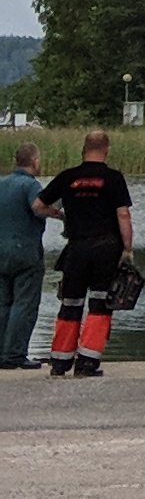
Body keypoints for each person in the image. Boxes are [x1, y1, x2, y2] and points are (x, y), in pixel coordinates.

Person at [40, 131, 135, 378]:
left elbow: (38, 205)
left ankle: (60, 362)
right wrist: (127, 248)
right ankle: (87, 362)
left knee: (70, 302)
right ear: (107, 149)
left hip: (76, 248)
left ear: (84, 148)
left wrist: (59, 215)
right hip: (106, 247)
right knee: (100, 303)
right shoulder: (113, 178)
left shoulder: (68, 177)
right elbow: (123, 214)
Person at [0, 139, 46, 373]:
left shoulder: (2, 184)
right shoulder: (31, 185)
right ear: (34, 161)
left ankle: (1, 352)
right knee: (24, 303)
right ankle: (15, 354)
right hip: (25, 253)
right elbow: (38, 207)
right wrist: (60, 214)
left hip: (1, 252)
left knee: (3, 303)